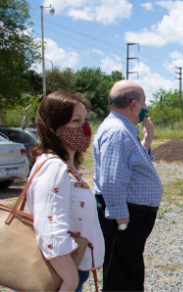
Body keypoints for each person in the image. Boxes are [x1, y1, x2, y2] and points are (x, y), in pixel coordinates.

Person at [26, 91, 104, 292]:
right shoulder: (54, 167)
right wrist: (70, 281)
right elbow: (50, 229)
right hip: (60, 275)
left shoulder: (64, 166)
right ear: (55, 127)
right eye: (76, 121)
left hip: (64, 271)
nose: (85, 128)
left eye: (85, 120)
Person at [93, 80, 162, 292]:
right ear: (134, 104)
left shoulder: (124, 128)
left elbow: (131, 164)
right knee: (120, 277)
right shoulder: (118, 132)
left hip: (131, 214)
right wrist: (121, 220)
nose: (145, 106)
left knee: (129, 270)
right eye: (144, 102)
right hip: (125, 216)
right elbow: (112, 179)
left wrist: (147, 140)